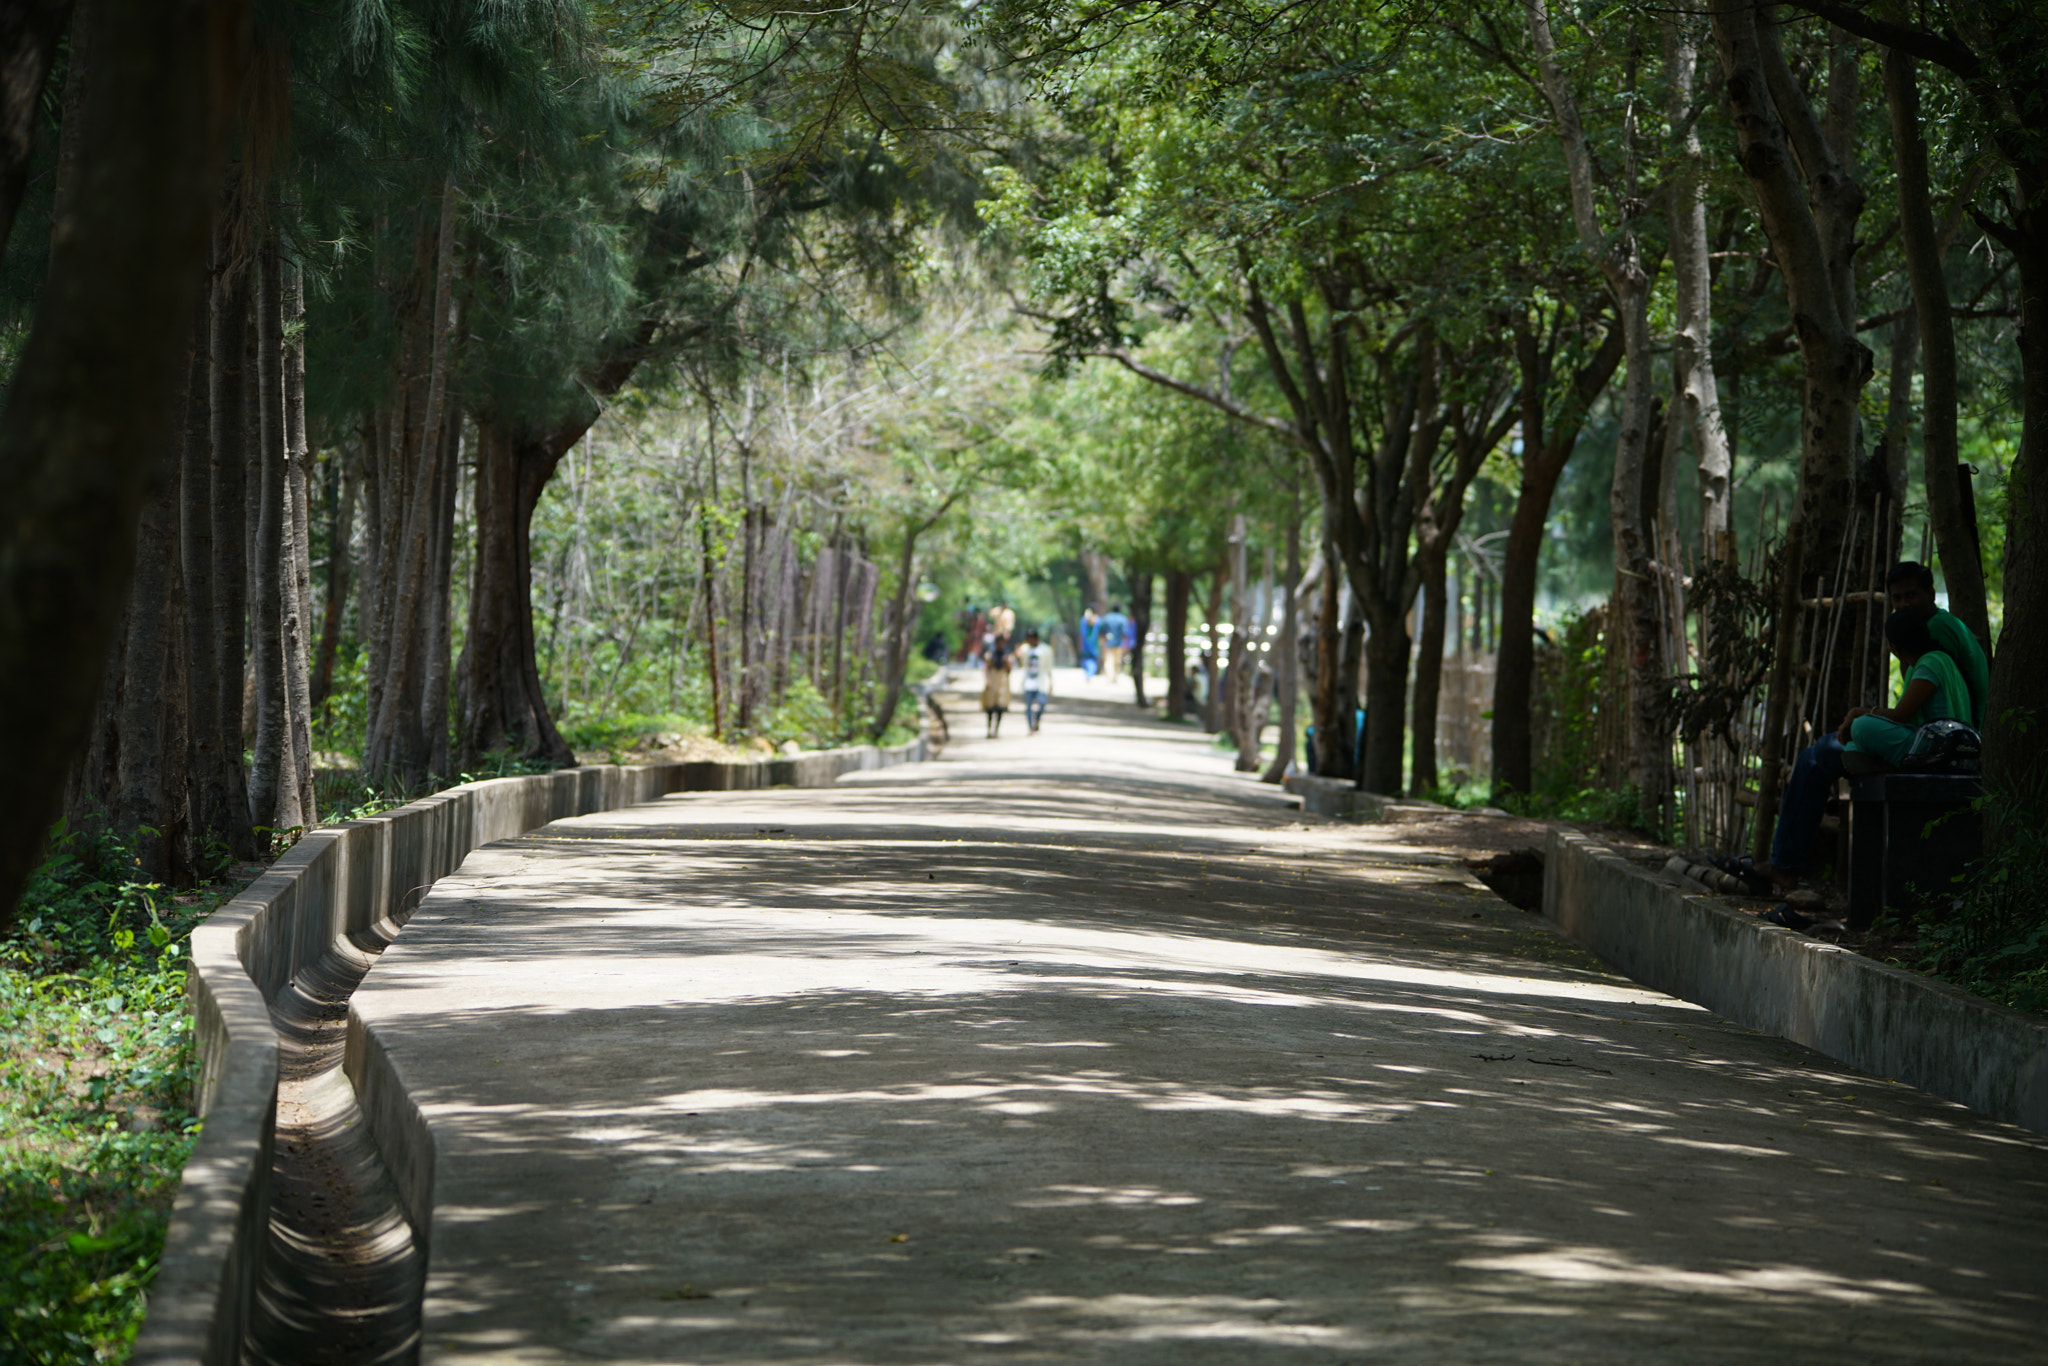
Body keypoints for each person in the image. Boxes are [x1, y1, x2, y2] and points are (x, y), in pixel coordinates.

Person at [1749, 609, 1969, 891]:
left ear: (1893, 647)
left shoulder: (1929, 664)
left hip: (1927, 754)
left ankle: (1784, 865)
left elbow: (1902, 715)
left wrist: (1861, 713)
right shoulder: (1944, 661)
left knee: (1831, 747)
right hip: (1933, 751)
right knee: (1827, 748)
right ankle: (1784, 863)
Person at [1885, 560, 1989, 726]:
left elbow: (1908, 707)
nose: (1904, 605)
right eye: (1897, 598)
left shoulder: (1936, 629)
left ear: (1931, 594)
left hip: (1964, 728)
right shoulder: (1936, 623)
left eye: (1911, 595)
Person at [1016, 628, 1054, 733]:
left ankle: (1036, 719)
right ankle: (1030, 727)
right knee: (1028, 706)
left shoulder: (1045, 650)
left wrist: (1051, 683)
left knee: (1042, 704)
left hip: (1040, 682)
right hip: (1028, 682)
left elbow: (1048, 667)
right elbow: (1020, 664)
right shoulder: (1024, 649)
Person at [981, 641, 1012, 738]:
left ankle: (996, 730)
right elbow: (986, 668)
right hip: (993, 680)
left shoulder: (1006, 655)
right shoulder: (991, 655)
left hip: (1001, 682)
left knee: (1000, 707)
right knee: (990, 707)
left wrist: (1006, 661)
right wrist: (987, 680)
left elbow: (1009, 670)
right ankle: (989, 730)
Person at [1098, 603, 1132, 684]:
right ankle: (1115, 677)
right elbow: (1125, 634)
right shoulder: (1123, 619)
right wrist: (1126, 645)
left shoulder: (1106, 618)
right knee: (1117, 660)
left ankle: (1109, 677)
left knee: (1108, 660)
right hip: (1118, 643)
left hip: (1108, 643)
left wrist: (1101, 642)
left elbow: (1102, 631)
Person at [1078, 607, 1101, 680]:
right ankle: (1090, 673)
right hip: (1094, 643)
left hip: (1086, 643)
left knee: (1086, 660)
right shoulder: (1098, 620)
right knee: (1093, 660)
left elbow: (1081, 633)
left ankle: (1088, 673)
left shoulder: (1083, 620)